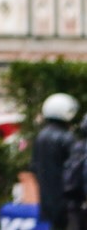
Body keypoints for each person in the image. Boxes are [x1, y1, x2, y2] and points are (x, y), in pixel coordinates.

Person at [31, 93, 80, 230]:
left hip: (47, 199)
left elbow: (34, 167)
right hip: (67, 202)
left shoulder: (41, 137)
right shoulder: (66, 137)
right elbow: (75, 170)